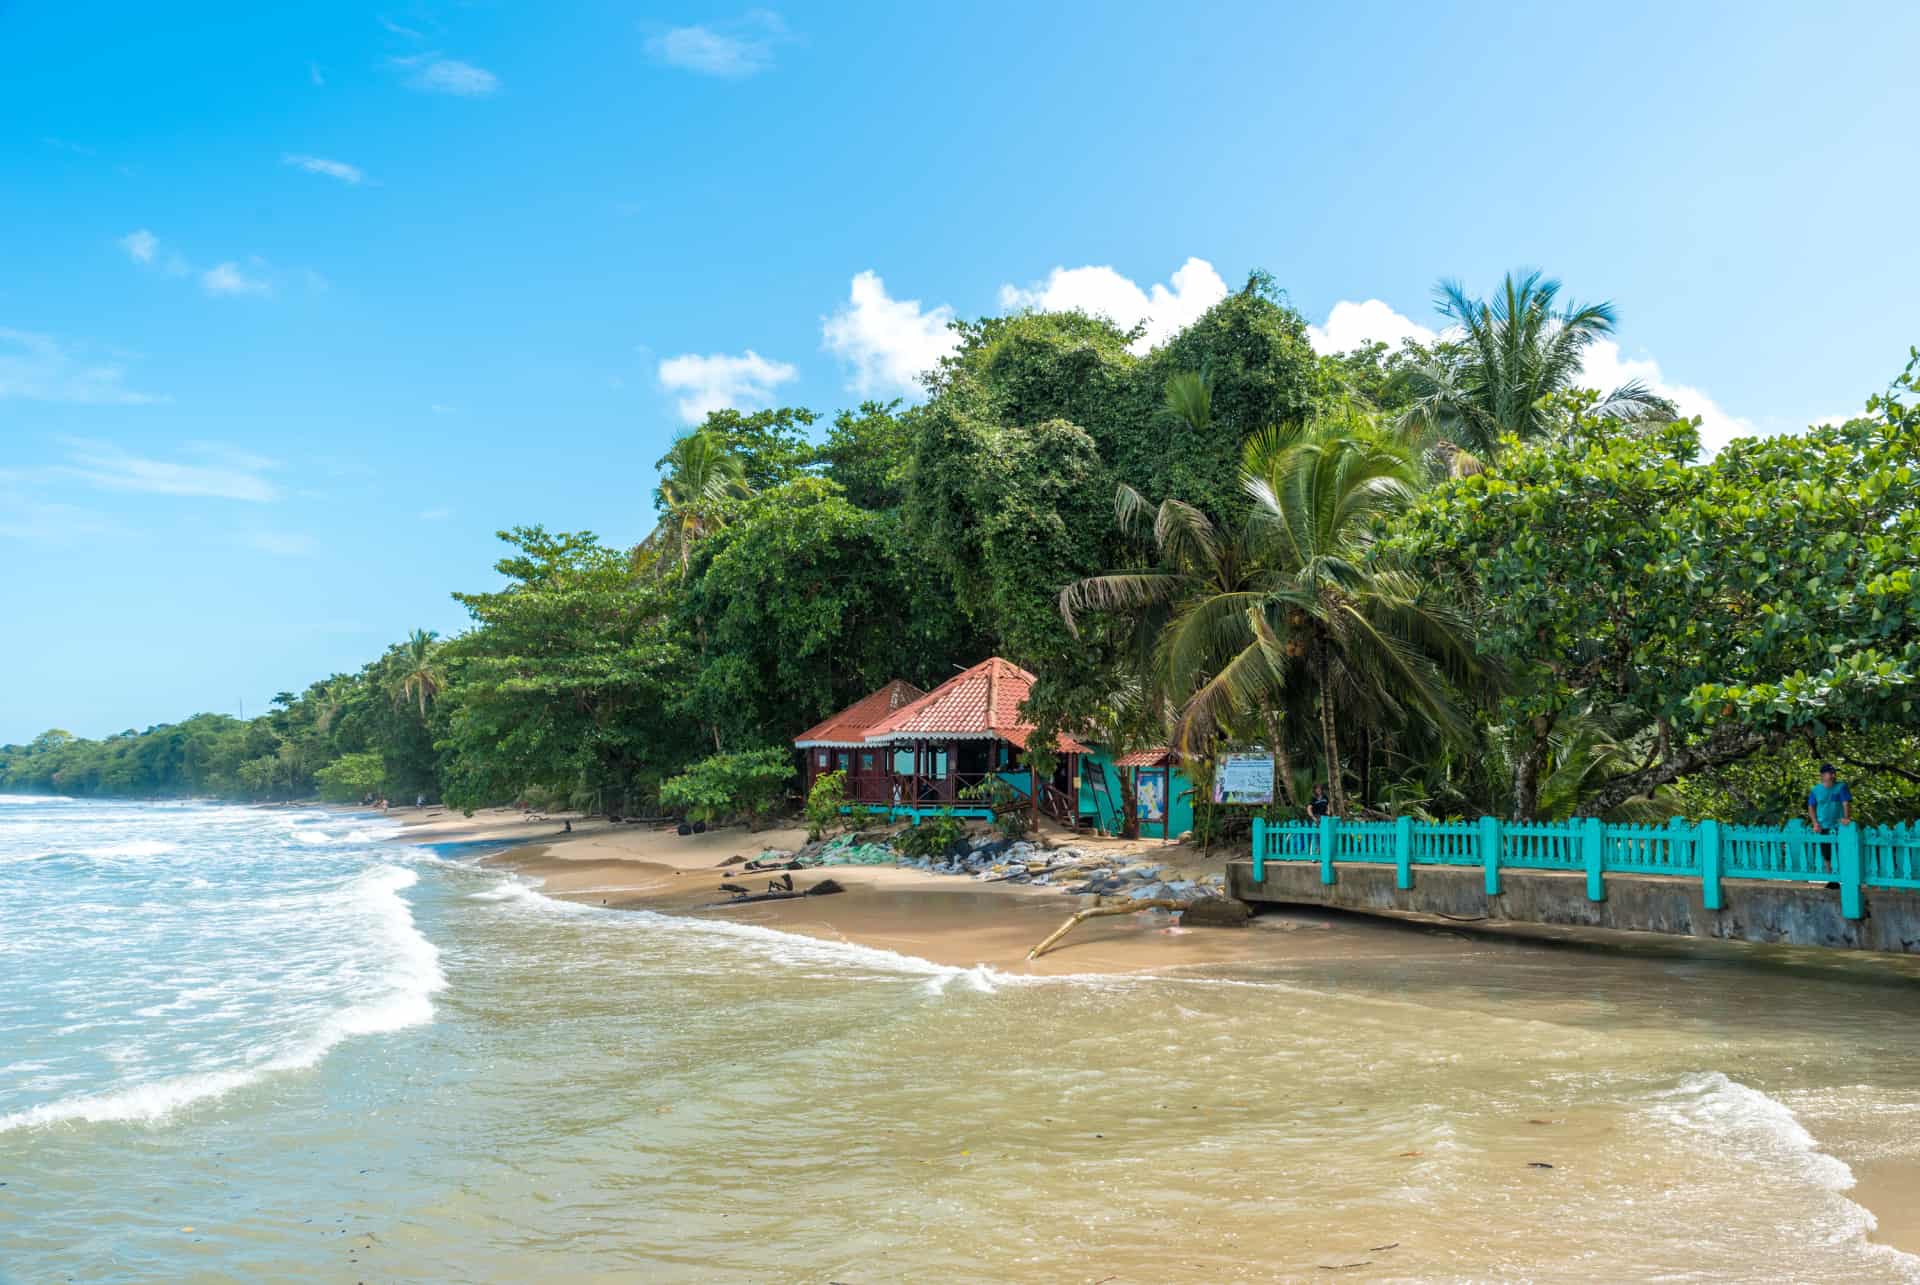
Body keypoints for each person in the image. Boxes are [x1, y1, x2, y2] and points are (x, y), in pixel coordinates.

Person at [1807, 764, 1853, 834]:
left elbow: (1846, 803)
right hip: (1822, 827)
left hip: (1840, 826)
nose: (1834, 775)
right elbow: (1811, 807)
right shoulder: (1815, 790)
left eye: (1834, 773)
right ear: (1823, 775)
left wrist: (1846, 818)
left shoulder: (1841, 787)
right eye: (1831, 773)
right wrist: (1815, 823)